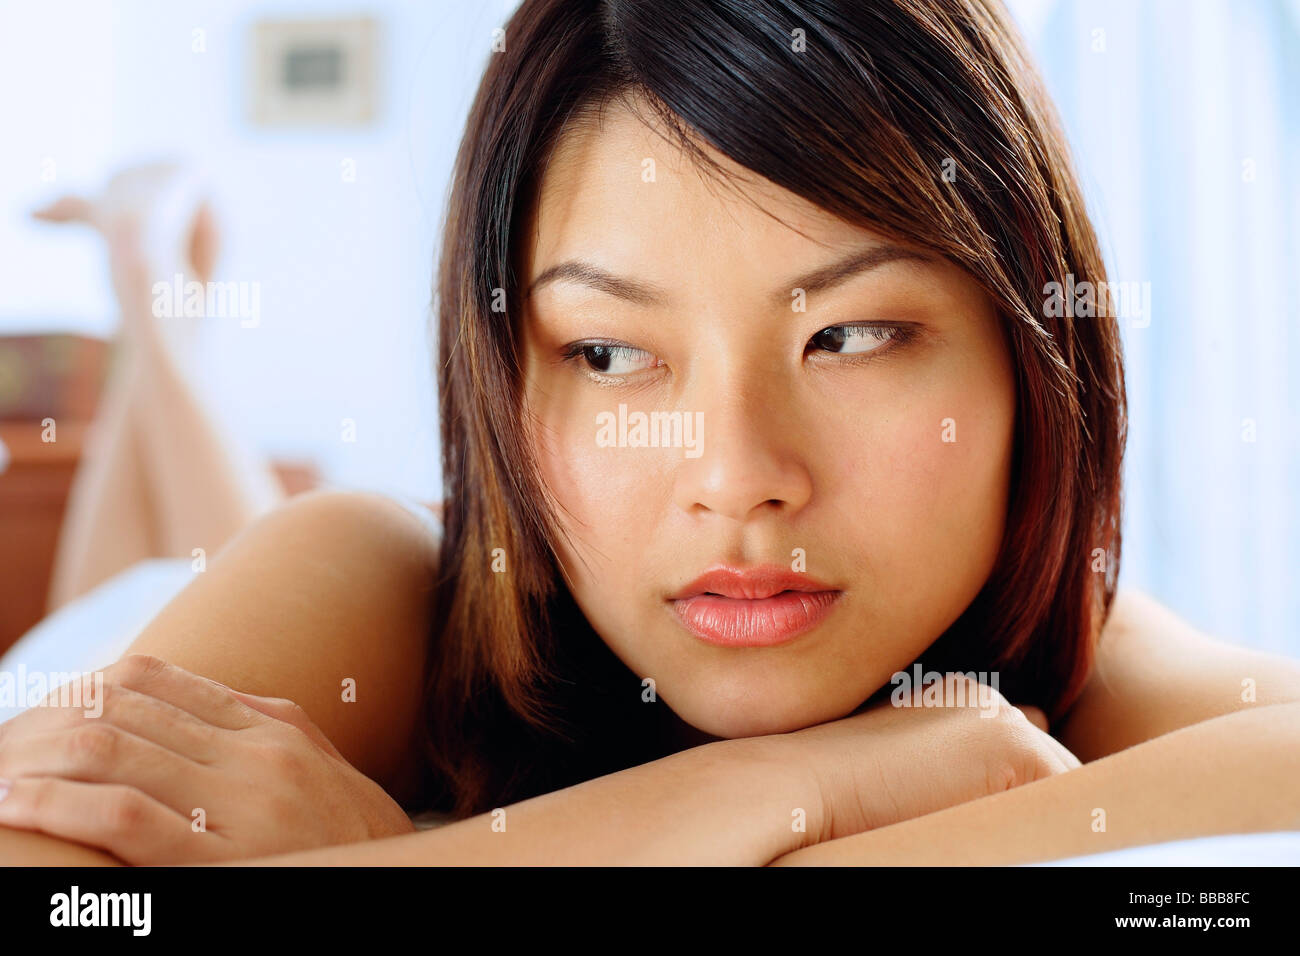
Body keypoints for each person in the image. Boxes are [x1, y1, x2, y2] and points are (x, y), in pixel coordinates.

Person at [0, 0, 1298, 866]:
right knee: (146, 565)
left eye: (848, 337)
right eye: (611, 355)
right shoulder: (371, 573)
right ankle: (149, 286)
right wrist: (770, 790)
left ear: (1032, 356)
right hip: (107, 637)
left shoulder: (1070, 647)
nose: (738, 478)